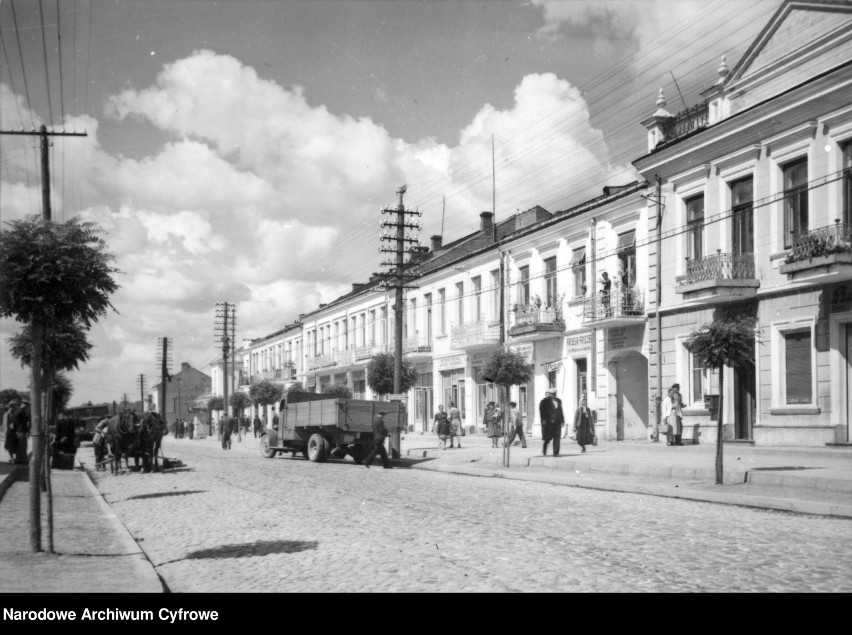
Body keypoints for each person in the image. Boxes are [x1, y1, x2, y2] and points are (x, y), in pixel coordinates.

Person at [539, 388, 565, 457]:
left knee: (557, 438)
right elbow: (542, 411)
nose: (554, 395)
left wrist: (562, 421)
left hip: (557, 422)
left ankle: (556, 453)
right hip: (549, 422)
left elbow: (560, 411)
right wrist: (543, 420)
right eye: (552, 394)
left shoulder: (559, 401)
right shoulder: (544, 401)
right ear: (549, 394)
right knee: (548, 437)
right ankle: (545, 447)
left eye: (555, 394)